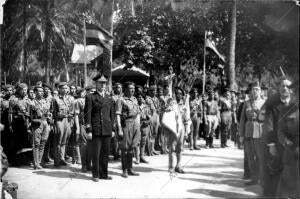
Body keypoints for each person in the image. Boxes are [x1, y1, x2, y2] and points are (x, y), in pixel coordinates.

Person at [85, 74, 115, 181]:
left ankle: (104, 174)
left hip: (107, 129)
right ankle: (96, 175)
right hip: (96, 129)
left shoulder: (109, 98)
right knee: (96, 154)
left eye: (104, 83)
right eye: (100, 83)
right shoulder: (90, 97)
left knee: (105, 154)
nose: (103, 85)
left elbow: (112, 115)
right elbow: (87, 115)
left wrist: (113, 129)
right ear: (96, 84)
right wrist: (89, 130)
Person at [275, 78, 299, 198]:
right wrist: (288, 143)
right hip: (291, 151)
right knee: (288, 183)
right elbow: (280, 131)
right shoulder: (287, 108)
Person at [239, 81, 266, 185]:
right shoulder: (247, 103)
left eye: (257, 89)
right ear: (251, 91)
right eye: (254, 89)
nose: (255, 91)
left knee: (260, 156)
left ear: (260, 91)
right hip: (248, 132)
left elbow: (266, 118)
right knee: (250, 157)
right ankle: (254, 178)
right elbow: (242, 119)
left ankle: (262, 178)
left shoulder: (264, 102)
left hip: (260, 131)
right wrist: (241, 135)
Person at [115, 81, 141, 178]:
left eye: (133, 88)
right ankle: (124, 169)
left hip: (135, 124)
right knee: (125, 148)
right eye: (130, 88)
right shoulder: (120, 100)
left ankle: (130, 168)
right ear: (125, 89)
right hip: (126, 124)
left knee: (132, 148)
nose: (132, 90)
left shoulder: (135, 99)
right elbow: (118, 115)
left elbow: (137, 113)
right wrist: (119, 129)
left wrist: (138, 126)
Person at [8, 83, 32, 166]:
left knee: (25, 142)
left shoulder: (27, 99)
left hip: (25, 122)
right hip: (17, 122)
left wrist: (29, 123)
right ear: (19, 90)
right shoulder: (13, 99)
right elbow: (10, 113)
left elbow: (30, 112)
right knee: (16, 143)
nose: (25, 91)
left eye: (26, 90)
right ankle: (16, 161)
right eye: (23, 90)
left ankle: (24, 159)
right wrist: (10, 124)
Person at [51, 82, 72, 167]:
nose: (65, 90)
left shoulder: (68, 99)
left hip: (66, 121)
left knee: (64, 141)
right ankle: (56, 161)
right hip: (59, 121)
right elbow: (52, 113)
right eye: (63, 88)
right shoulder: (55, 99)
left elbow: (69, 110)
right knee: (58, 141)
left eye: (66, 88)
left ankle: (62, 159)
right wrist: (53, 125)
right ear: (59, 89)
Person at [30, 85, 51, 169]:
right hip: (37, 123)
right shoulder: (32, 102)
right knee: (36, 144)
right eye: (39, 91)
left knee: (43, 142)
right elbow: (29, 115)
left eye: (42, 91)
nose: (42, 92)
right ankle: (36, 163)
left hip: (45, 122)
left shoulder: (45, 101)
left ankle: (40, 161)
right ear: (35, 92)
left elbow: (48, 112)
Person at [145, 85, 160, 155]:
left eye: (155, 90)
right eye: (153, 90)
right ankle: (149, 150)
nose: (155, 92)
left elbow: (158, 108)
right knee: (150, 134)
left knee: (155, 133)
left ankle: (153, 149)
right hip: (151, 116)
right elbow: (146, 109)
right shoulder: (147, 99)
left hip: (156, 115)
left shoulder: (156, 99)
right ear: (150, 91)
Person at [112, 83, 123, 160]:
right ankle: (116, 154)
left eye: (120, 87)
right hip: (115, 118)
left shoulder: (123, 97)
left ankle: (120, 152)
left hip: (123, 118)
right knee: (116, 137)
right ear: (115, 89)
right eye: (117, 87)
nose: (119, 89)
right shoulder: (112, 97)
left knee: (122, 137)